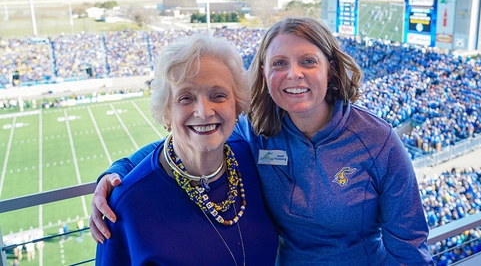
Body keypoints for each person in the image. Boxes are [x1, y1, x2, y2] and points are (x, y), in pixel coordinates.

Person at [91, 17, 433, 265]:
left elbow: (410, 247)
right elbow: (190, 140)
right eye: (279, 63)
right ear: (265, 75)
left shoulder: (378, 141)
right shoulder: (256, 129)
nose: (293, 74)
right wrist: (117, 172)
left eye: (308, 62)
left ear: (330, 69)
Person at [94, 34, 278, 265]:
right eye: (186, 98)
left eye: (218, 95)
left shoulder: (251, 162)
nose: (204, 111)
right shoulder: (127, 204)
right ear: (166, 111)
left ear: (237, 104)